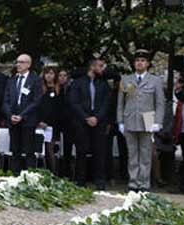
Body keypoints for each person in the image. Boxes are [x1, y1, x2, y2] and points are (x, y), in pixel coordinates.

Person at [117, 49, 165, 192]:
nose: (140, 63)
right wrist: (120, 121)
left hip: (148, 119)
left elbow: (160, 103)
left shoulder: (155, 81)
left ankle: (144, 183)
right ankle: (133, 182)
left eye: (143, 61)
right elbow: (121, 102)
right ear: (134, 63)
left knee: (145, 153)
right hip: (130, 118)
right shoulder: (125, 79)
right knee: (132, 153)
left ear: (148, 63)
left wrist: (158, 121)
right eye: (137, 60)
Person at [67, 59, 111, 190]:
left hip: (99, 122)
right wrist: (86, 117)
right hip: (82, 122)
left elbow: (107, 103)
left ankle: (99, 180)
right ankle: (80, 179)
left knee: (100, 151)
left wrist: (97, 117)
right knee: (81, 151)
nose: (103, 68)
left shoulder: (103, 84)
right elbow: (74, 103)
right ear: (92, 67)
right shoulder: (78, 83)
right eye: (100, 66)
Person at [3, 54, 43, 174]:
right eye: (17, 62)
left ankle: (30, 177)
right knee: (15, 151)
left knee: (29, 150)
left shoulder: (35, 80)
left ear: (29, 64)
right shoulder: (12, 80)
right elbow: (6, 100)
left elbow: (36, 101)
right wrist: (10, 115)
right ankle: (15, 176)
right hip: (13, 120)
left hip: (28, 120)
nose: (18, 64)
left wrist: (22, 116)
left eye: (22, 62)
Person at [37, 66, 63, 171]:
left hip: (53, 126)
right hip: (39, 124)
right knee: (40, 150)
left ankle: (53, 173)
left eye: (51, 73)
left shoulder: (59, 90)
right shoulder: (39, 89)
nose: (49, 75)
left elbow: (60, 108)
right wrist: (39, 121)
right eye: (47, 73)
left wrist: (50, 123)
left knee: (50, 150)